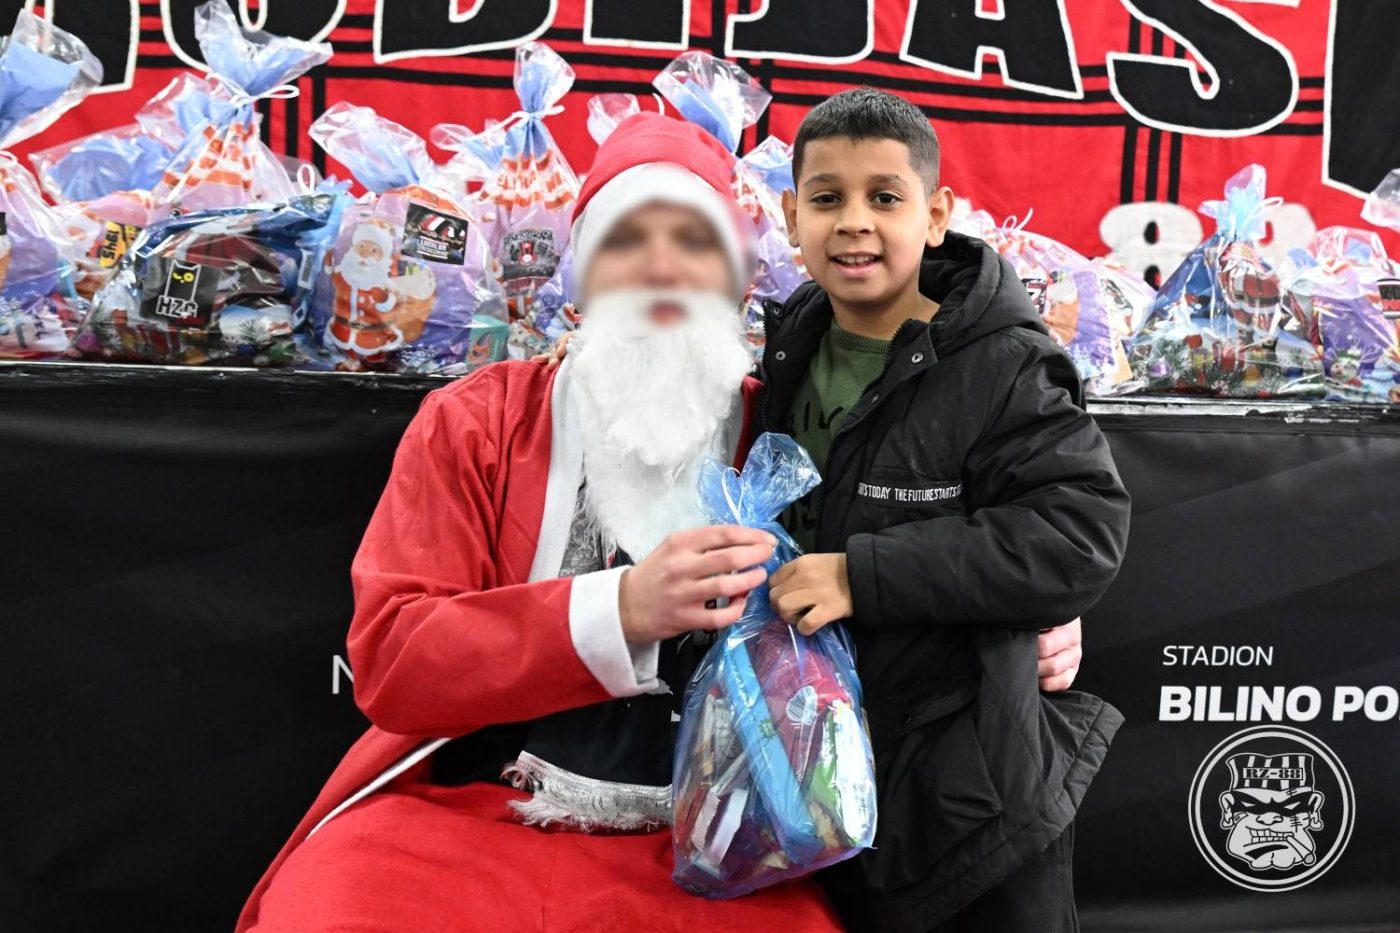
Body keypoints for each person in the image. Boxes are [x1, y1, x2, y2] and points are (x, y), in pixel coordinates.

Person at [238, 111, 1084, 933]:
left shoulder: (788, 428)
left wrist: (1015, 619)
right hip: (468, 810)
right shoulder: (478, 422)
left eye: (692, 240)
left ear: (738, 275)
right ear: (583, 274)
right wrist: (625, 609)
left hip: (730, 843)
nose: (661, 267)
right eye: (627, 241)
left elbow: (932, 526)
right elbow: (393, 657)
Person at [761, 88, 1132, 932]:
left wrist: (863, 575)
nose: (854, 222)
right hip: (822, 775)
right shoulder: (792, 342)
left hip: (969, 805)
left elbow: (1077, 536)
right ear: (791, 218)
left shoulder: (1004, 362)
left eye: (885, 197)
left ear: (935, 216)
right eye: (827, 197)